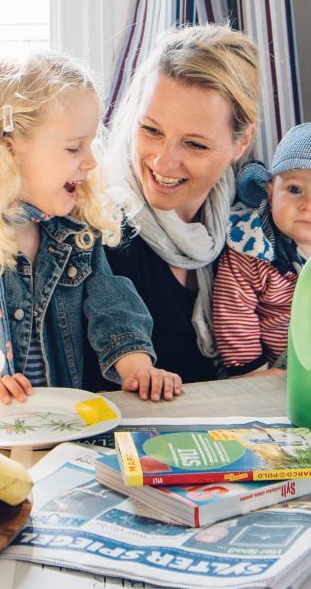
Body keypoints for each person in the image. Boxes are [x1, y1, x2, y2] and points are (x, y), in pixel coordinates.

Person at [0, 50, 183, 404]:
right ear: (8, 148)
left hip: (57, 427)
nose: (90, 161)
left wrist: (138, 368)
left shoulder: (75, 234)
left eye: (91, 145)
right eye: (74, 148)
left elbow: (113, 309)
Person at [99, 24, 265, 385]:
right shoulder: (100, 228)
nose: (162, 162)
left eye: (194, 144)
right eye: (151, 130)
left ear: (241, 142)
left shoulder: (259, 221)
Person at [211, 121, 311, 369]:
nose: (309, 205)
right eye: (295, 189)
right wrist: (251, 371)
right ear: (270, 192)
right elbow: (234, 315)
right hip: (272, 368)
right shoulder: (250, 248)